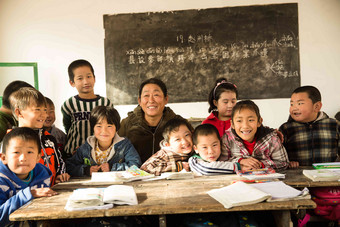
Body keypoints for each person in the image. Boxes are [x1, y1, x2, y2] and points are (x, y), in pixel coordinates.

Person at [118, 77, 193, 163]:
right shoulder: (127, 124)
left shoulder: (180, 124)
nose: (151, 100)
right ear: (139, 100)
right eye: (146, 96)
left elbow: (196, 148)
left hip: (171, 173)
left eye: (156, 95)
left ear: (166, 99)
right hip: (135, 174)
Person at [10, 87, 69, 186]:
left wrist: (61, 175)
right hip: (25, 197)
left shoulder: (49, 138)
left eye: (45, 110)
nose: (44, 115)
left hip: (51, 194)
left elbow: (59, 162)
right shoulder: (11, 141)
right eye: (37, 110)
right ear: (19, 112)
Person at [0, 127, 57, 226]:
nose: (23, 158)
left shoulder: (41, 175)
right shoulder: (1, 180)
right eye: (16, 152)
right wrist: (28, 194)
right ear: (4, 158)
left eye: (29, 152)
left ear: (38, 157)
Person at [66, 106, 141, 177]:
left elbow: (135, 165)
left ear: (117, 128)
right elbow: (69, 166)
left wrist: (112, 168)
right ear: (93, 128)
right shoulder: (85, 148)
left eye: (109, 126)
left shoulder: (125, 145)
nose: (104, 131)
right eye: (99, 126)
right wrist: (86, 170)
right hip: (92, 187)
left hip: (117, 185)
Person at [61, 59, 113, 157]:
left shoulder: (105, 103)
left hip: (99, 154)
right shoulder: (69, 104)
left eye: (89, 76)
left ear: (94, 78)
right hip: (73, 154)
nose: (86, 81)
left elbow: (111, 127)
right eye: (80, 78)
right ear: (72, 82)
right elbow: (67, 127)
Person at [279, 85, 340, 168]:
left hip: (328, 175)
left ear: (316, 107)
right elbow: (278, 155)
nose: (294, 108)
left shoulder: (334, 124)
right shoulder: (286, 128)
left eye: (300, 103)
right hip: (297, 176)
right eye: (292, 104)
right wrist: (287, 162)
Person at [224, 100, 289, 170]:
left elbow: (283, 163)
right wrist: (240, 161)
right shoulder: (227, 139)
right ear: (232, 124)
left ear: (259, 122)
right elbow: (220, 163)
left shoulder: (272, 139)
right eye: (239, 121)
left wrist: (261, 165)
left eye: (251, 120)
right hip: (236, 180)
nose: (245, 126)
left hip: (266, 179)